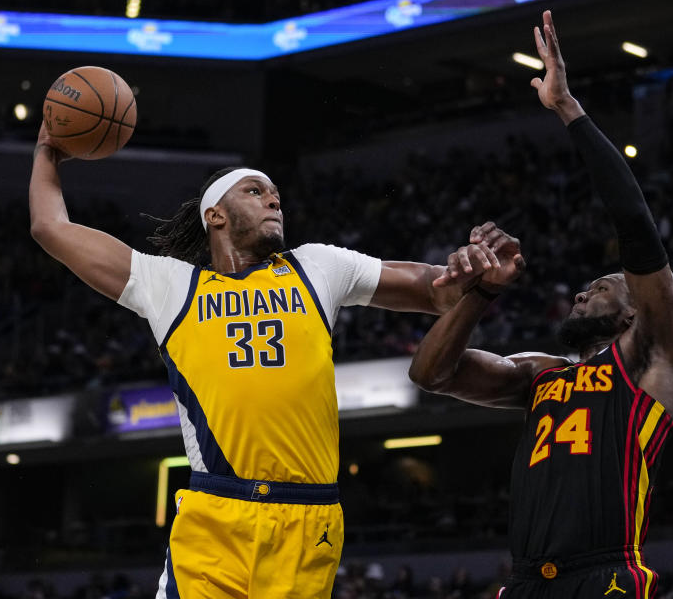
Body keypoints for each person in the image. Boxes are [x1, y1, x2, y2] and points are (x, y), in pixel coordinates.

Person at [29, 129, 510, 598]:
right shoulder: (170, 285)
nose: (274, 200)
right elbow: (51, 228)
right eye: (255, 191)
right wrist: (48, 150)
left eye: (277, 194)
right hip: (216, 514)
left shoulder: (316, 266)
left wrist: (473, 267)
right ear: (215, 215)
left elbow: (435, 290)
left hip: (309, 517)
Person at [408, 10, 673, 599]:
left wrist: (568, 109)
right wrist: (483, 292)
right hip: (524, 582)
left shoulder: (649, 357)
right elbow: (429, 373)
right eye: (585, 285)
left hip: (607, 574)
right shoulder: (541, 375)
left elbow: (635, 225)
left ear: (635, 308)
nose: (585, 289)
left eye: (604, 285)